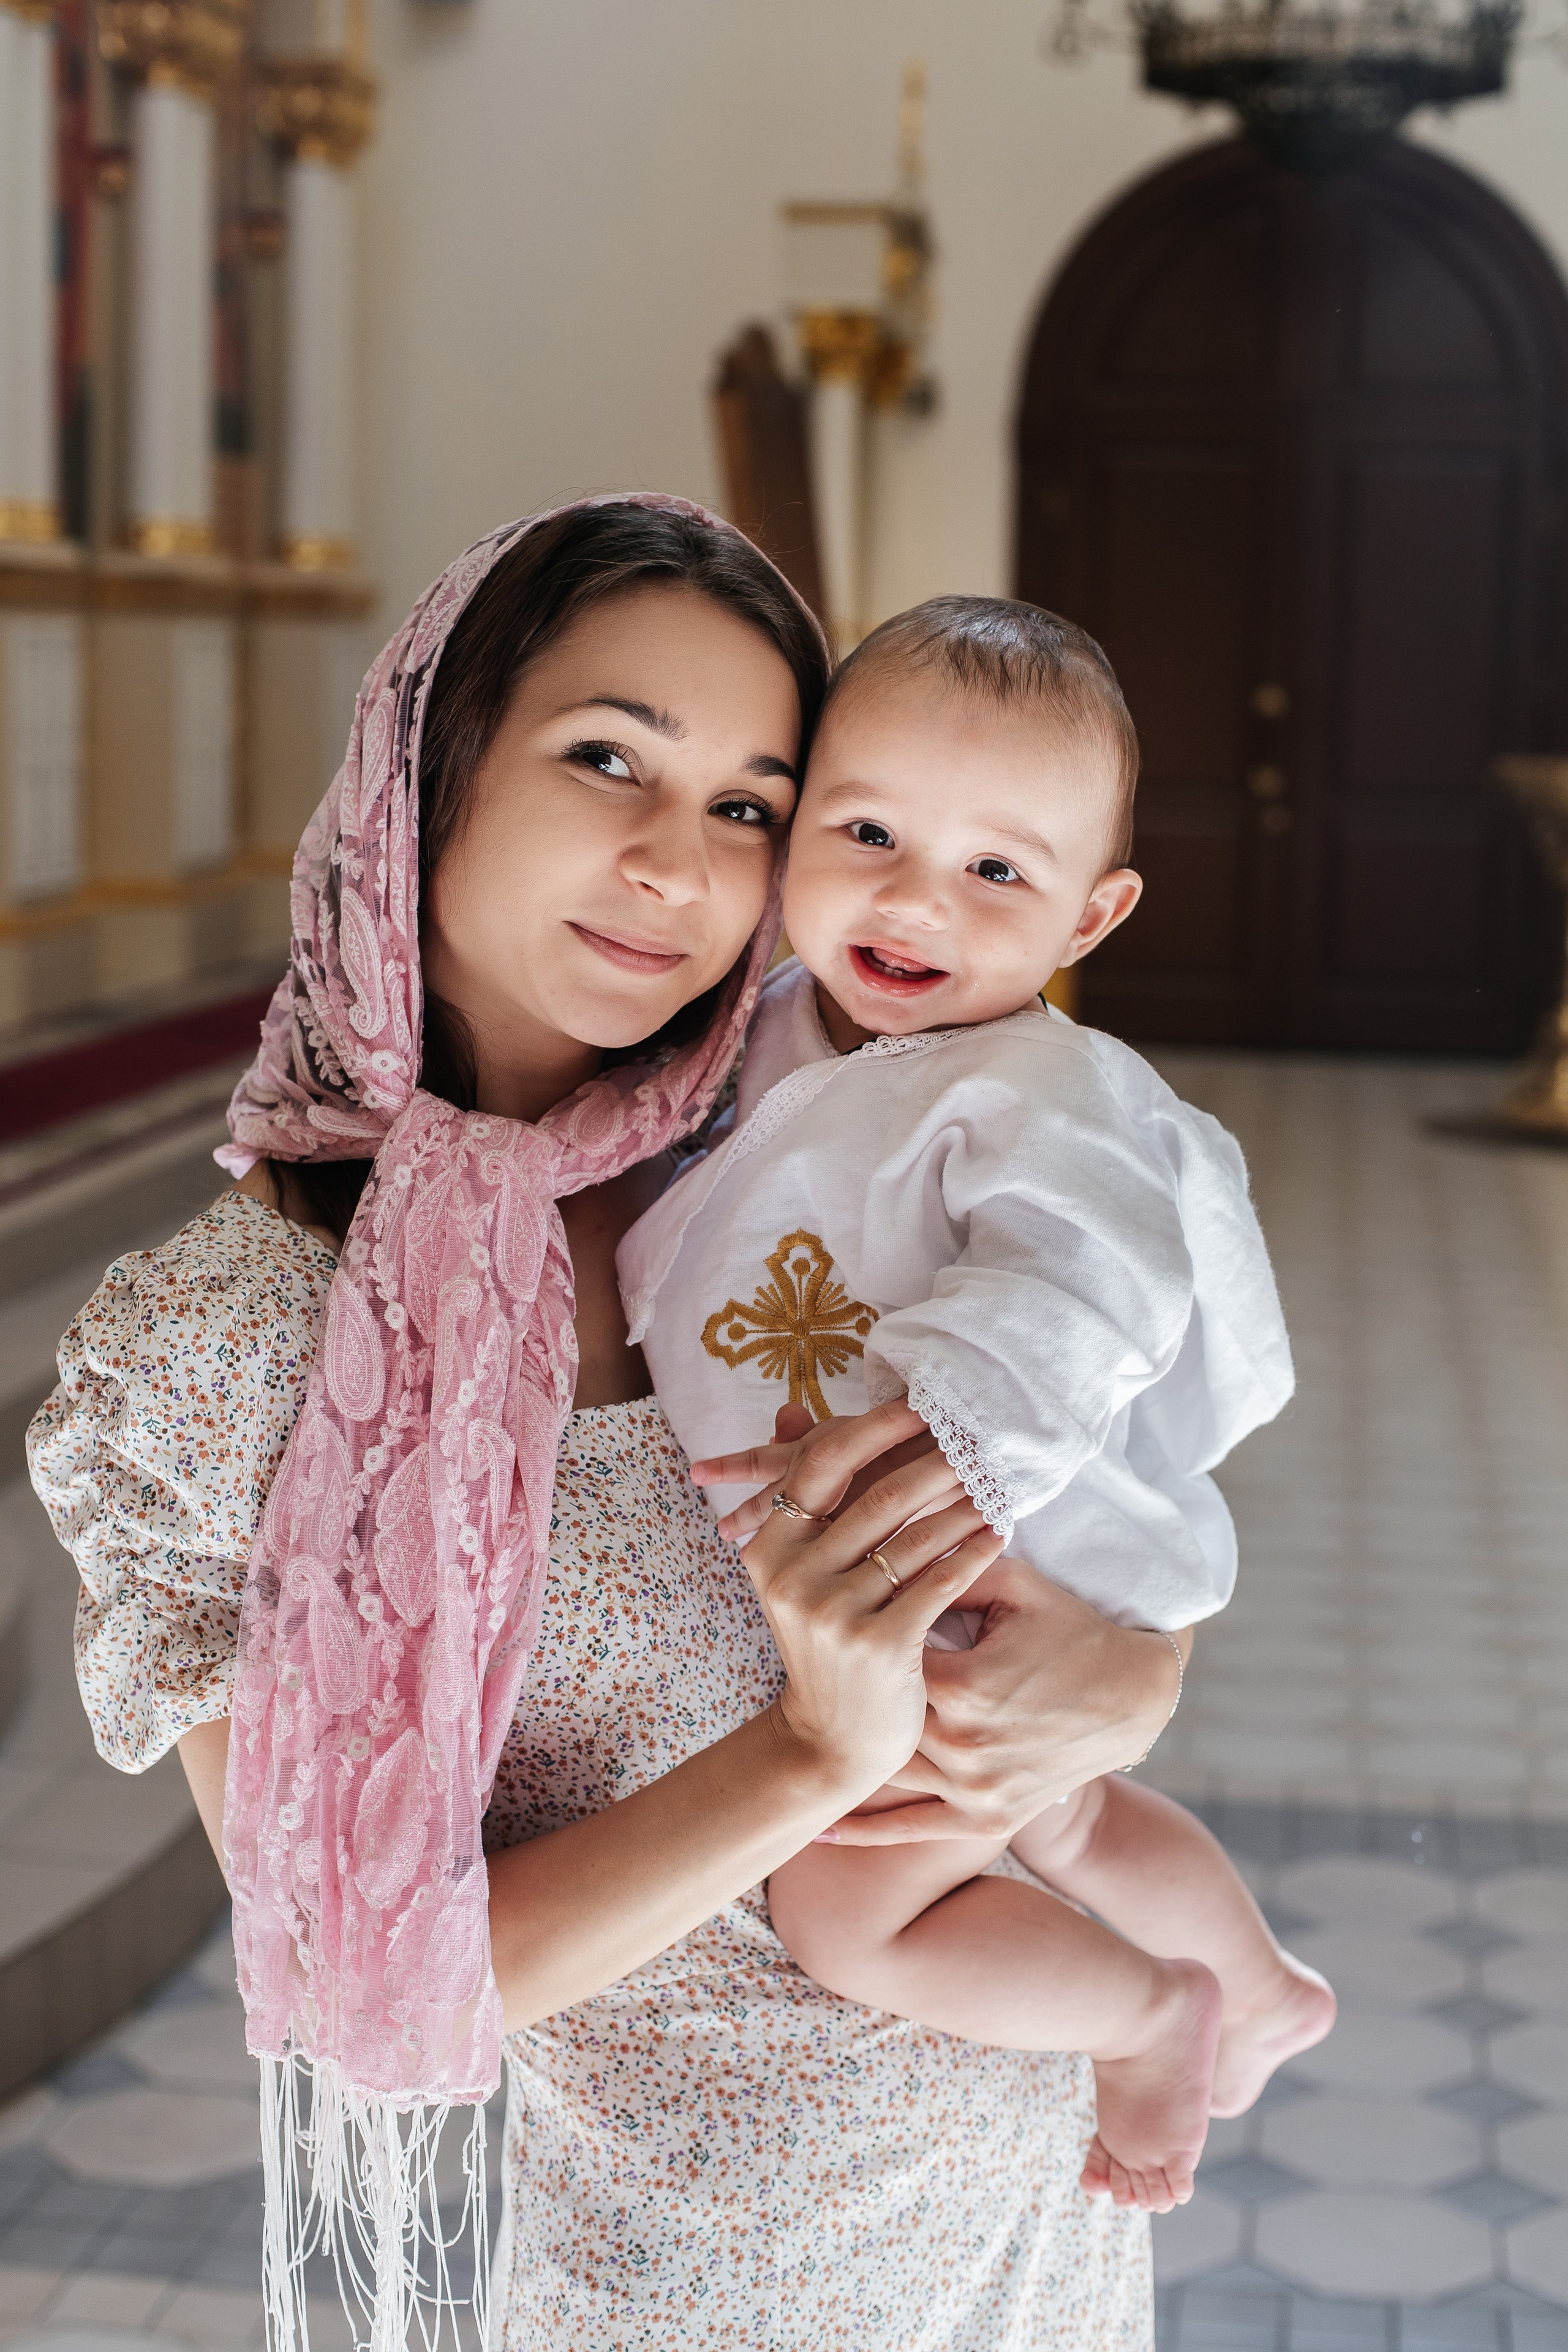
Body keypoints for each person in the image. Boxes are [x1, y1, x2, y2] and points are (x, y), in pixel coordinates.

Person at [28, 503, 1181, 2351]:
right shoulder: (230, 1345)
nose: (673, 863)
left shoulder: (784, 1176)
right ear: (432, 772)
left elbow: (1064, 1493)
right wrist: (813, 1756)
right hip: (701, 2286)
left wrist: (1125, 1673)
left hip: (1042, 2219)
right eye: (607, 759)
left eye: (748, 805)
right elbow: (364, 1977)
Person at [619, 595, 1337, 2218]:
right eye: (869, 832)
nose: (913, 898)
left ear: (1096, 912)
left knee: (853, 1916)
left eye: (997, 871)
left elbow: (1084, 1288)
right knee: (1063, 1814)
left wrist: (947, 1449)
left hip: (987, 1550)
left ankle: (1154, 2014)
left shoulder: (1045, 1094)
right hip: (916, 1560)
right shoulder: (768, 1031)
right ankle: (1262, 1987)